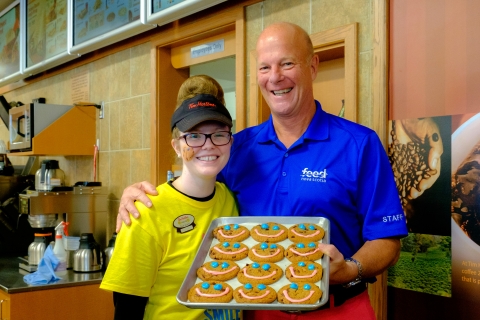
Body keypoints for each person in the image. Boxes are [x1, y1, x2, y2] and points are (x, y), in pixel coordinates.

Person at [117, 22, 408, 319]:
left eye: (287, 63)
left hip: (340, 308)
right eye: (264, 67)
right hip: (255, 307)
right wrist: (136, 196)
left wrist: (349, 269)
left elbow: (387, 242)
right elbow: (193, 190)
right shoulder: (237, 148)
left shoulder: (359, 144)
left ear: (313, 66)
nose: (275, 77)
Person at [101, 75, 242, 320]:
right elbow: (126, 312)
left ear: (230, 141)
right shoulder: (144, 213)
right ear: (176, 145)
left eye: (219, 134)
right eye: (194, 136)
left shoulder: (230, 199)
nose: (208, 145)